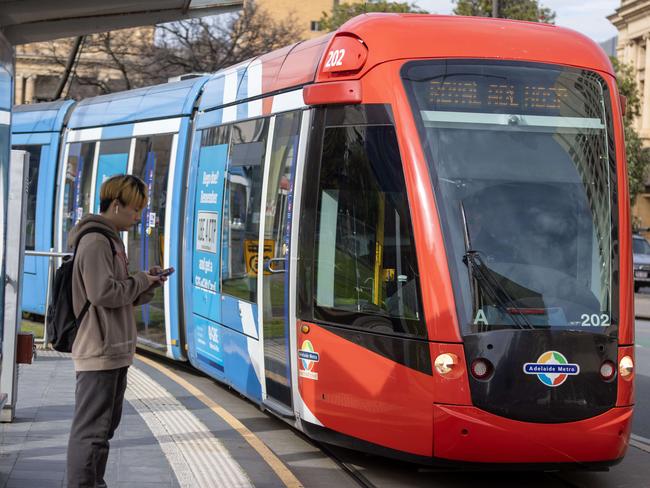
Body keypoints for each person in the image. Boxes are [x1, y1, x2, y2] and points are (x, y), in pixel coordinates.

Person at [66, 174, 171, 488]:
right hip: (99, 349)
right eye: (134, 209)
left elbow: (119, 291)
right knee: (91, 433)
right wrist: (139, 280)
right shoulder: (97, 240)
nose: (138, 217)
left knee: (102, 431)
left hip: (112, 349)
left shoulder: (110, 239)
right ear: (115, 205)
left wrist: (146, 283)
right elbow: (102, 293)